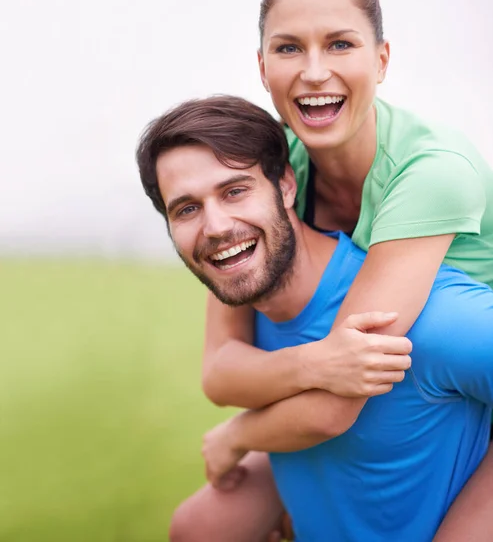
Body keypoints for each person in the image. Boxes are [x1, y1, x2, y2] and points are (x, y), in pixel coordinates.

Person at [177, 0, 493, 542]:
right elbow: (222, 370)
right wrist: (315, 364)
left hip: (469, 386)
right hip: (382, 377)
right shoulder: (276, 171)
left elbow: (338, 399)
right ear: (262, 66)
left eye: (340, 44)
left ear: (381, 60)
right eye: (289, 47)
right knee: (200, 525)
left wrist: (239, 435)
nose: (314, 71)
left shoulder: (434, 173)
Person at [136, 95, 493, 541]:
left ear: (287, 185)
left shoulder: (426, 318)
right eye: (186, 209)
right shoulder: (251, 309)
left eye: (235, 191)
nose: (216, 227)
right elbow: (221, 375)